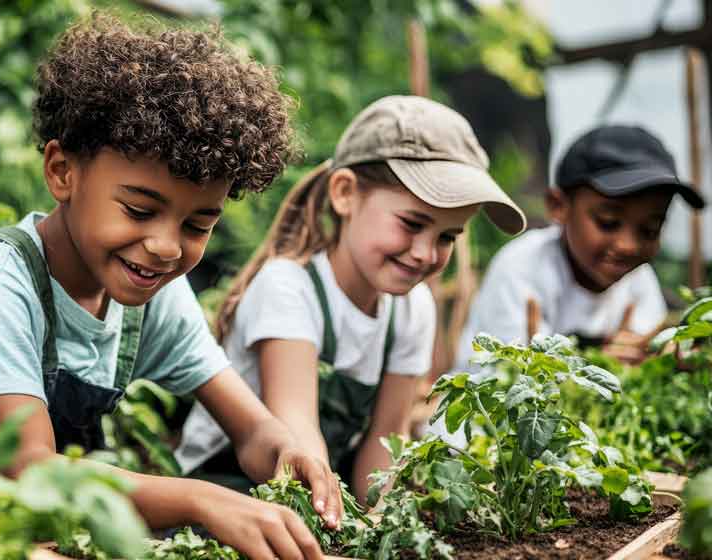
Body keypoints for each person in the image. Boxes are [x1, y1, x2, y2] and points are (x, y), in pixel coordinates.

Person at [0, 16, 338, 560]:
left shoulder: (154, 297)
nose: (168, 247)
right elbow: (31, 474)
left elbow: (251, 432)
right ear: (62, 171)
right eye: (140, 210)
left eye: (198, 225)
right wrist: (199, 499)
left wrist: (287, 453)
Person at [175, 95, 527, 504]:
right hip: (225, 490)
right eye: (412, 224)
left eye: (447, 237)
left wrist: (378, 519)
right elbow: (298, 430)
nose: (425, 254)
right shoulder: (289, 288)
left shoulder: (412, 309)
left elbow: (384, 441)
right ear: (345, 194)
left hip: (314, 494)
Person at [454, 124, 705, 371]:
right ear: (558, 206)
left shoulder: (639, 281)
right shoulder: (522, 270)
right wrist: (604, 368)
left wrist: (656, 362)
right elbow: (509, 383)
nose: (628, 246)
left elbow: (643, 361)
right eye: (608, 223)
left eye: (649, 230)